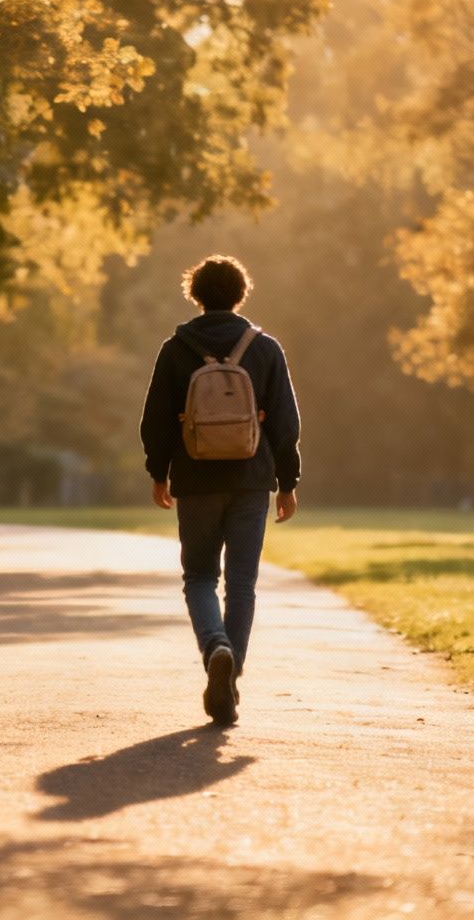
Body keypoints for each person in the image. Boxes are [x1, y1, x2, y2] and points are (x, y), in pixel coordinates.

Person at [139, 254, 300, 725]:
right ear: (240, 293)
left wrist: (159, 471)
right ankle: (231, 677)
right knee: (243, 583)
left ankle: (216, 649)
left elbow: (154, 419)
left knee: (200, 577)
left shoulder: (176, 348)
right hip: (251, 480)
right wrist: (287, 483)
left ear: (196, 294)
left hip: (195, 478)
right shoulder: (265, 348)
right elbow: (286, 425)